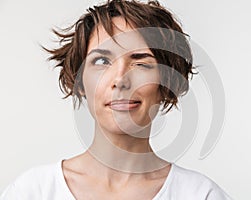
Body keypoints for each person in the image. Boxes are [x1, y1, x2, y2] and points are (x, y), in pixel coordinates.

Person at [0, 0, 232, 199]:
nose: (120, 79)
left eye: (141, 63)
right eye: (102, 61)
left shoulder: (200, 195)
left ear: (166, 84)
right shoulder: (32, 192)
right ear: (80, 81)